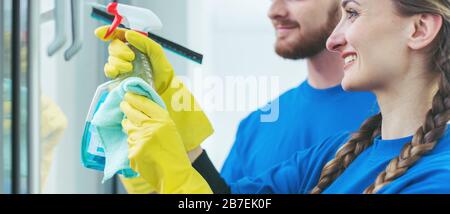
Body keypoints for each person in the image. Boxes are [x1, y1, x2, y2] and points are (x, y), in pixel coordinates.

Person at [115, 0, 450, 194]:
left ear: (419, 29)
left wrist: (177, 176)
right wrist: (178, 130)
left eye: (352, 13)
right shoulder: (334, 155)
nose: (334, 40)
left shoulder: (438, 177)